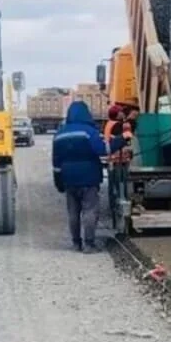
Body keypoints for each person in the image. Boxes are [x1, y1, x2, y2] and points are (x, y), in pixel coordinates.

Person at [52, 100, 125, 252]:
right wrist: (123, 138)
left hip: (68, 179)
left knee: (73, 212)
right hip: (89, 177)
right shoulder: (89, 131)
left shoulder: (59, 134)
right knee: (90, 210)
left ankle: (76, 243)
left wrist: (58, 181)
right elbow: (103, 149)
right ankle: (89, 244)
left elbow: (56, 161)